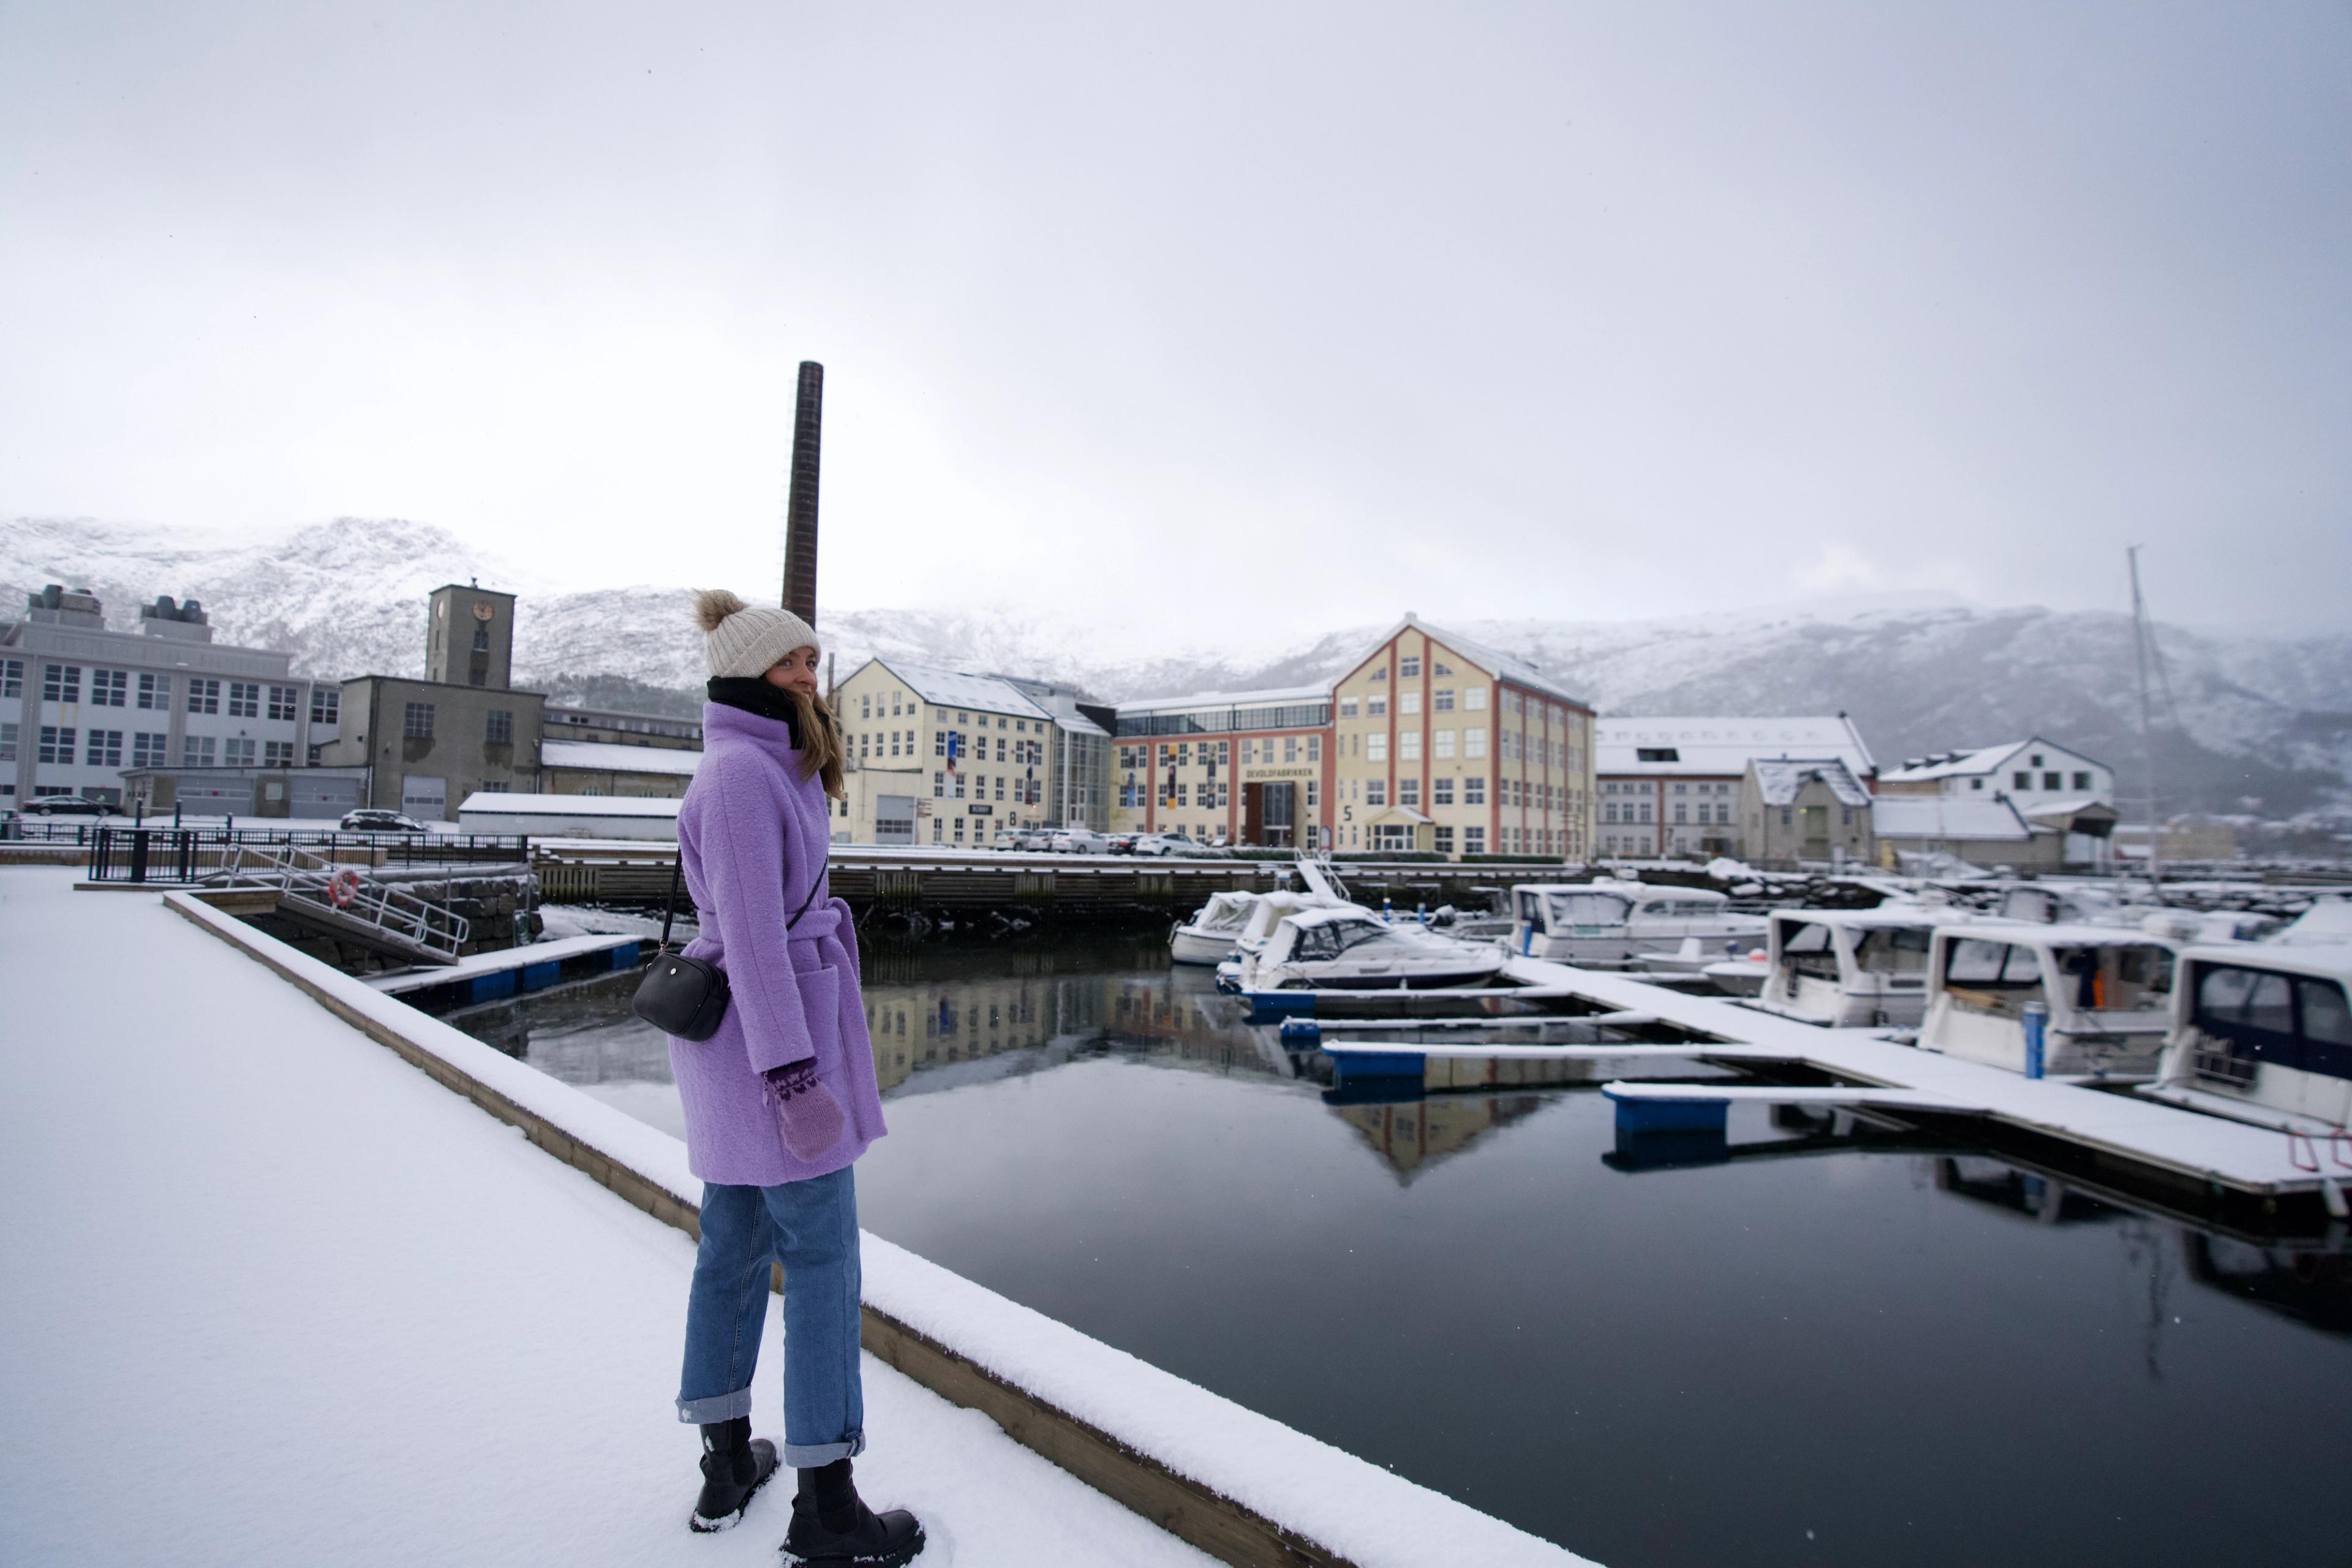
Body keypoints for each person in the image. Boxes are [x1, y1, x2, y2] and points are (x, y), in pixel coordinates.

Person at [668, 589, 924, 1566]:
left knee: (732, 1249)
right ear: (744, 674)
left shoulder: (765, 767)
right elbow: (760, 947)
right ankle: (828, 1507)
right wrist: (792, 1082)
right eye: (791, 665)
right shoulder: (740, 776)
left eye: (813, 662)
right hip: (769, 1061)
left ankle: (728, 1466)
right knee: (821, 1266)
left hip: (742, 1059)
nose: (809, 678)